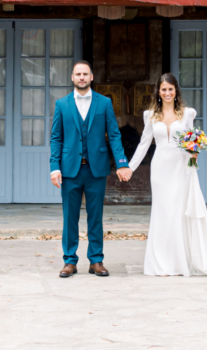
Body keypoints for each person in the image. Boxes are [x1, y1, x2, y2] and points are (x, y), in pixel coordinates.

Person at [128, 72, 207, 276]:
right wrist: (130, 167)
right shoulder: (151, 115)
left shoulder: (187, 114)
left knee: (178, 213)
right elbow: (144, 145)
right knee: (162, 214)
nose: (167, 92)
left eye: (171, 89)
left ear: (175, 91)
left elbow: (191, 142)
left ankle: (179, 264)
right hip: (160, 168)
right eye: (164, 89)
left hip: (181, 168)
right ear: (158, 92)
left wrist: (194, 154)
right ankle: (161, 264)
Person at [50, 60, 132, 277]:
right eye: (78, 74)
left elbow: (114, 134)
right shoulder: (62, 104)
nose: (82, 77)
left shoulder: (104, 103)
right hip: (69, 170)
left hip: (96, 170)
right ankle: (69, 261)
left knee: (95, 216)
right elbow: (56, 138)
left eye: (85, 74)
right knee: (70, 217)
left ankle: (96, 260)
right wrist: (54, 167)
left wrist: (122, 162)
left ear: (92, 77)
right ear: (72, 77)